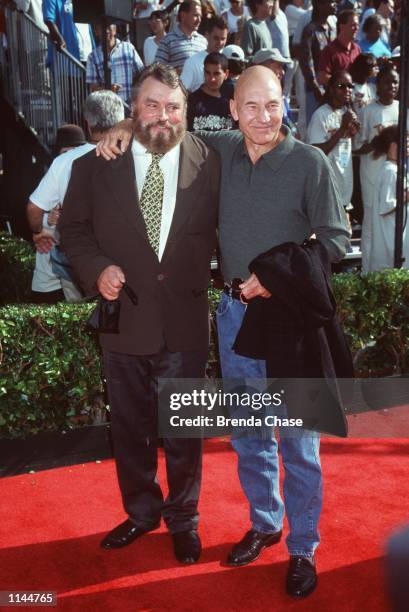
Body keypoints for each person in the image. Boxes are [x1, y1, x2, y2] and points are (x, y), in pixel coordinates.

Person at [95, 64, 350, 598]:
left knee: (299, 444)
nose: (264, 117)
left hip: (292, 322)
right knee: (250, 435)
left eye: (274, 105)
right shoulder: (219, 152)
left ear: (287, 106)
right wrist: (121, 127)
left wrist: (278, 277)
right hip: (234, 316)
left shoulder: (312, 163)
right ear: (231, 110)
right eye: (251, 106)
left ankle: (303, 546)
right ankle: (265, 524)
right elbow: (162, 129)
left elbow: (332, 241)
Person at [59, 63, 220, 565]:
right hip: (123, 318)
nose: (163, 116)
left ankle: (184, 518)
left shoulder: (213, 160)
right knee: (129, 427)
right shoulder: (93, 165)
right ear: (134, 107)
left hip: (184, 320)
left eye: (173, 106)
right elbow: (74, 232)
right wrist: (96, 268)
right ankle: (142, 512)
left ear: (187, 111)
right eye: (151, 105)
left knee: (184, 430)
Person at [26, 92, 125, 303]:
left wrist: (38, 232)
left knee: (83, 326)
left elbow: (33, 209)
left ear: (87, 123)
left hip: (79, 263)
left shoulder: (64, 162)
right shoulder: (136, 155)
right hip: (124, 262)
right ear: (121, 119)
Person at [27, 123, 86, 303]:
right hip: (50, 276)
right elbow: (33, 213)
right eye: (65, 152)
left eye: (75, 151)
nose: (70, 156)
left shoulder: (90, 175)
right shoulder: (51, 177)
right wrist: (49, 221)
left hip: (78, 272)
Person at [353, 64, 399, 272]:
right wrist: (379, 142)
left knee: (394, 223)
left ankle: (392, 270)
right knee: (371, 222)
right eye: (388, 81)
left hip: (394, 174)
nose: (392, 86)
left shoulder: (402, 109)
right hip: (372, 174)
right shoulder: (367, 111)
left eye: (395, 81)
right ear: (377, 86)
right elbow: (357, 147)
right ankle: (368, 271)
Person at [307, 70, 360, 215]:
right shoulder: (320, 115)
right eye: (341, 86)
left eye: (350, 86)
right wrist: (342, 128)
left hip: (345, 185)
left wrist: (354, 133)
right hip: (326, 187)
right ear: (331, 89)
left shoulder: (348, 112)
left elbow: (352, 149)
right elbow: (316, 152)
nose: (347, 90)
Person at [367, 125, 408, 272]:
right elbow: (387, 205)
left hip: (393, 235)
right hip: (389, 237)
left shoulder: (394, 169)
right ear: (394, 146)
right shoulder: (390, 172)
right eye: (406, 142)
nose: (408, 147)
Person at [86, 23, 143, 106]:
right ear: (96, 31)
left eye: (109, 25)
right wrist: (108, 89)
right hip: (107, 107)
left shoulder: (129, 48)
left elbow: (141, 74)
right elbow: (93, 87)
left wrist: (136, 96)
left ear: (115, 29)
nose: (106, 30)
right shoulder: (93, 56)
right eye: (101, 26)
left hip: (130, 106)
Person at [299, 0, 337, 125]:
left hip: (331, 89)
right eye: (331, 2)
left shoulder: (331, 29)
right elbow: (306, 61)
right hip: (315, 92)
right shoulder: (310, 30)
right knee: (315, 127)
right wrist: (315, 88)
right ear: (320, 5)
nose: (334, 4)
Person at [155, 0, 207, 72]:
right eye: (195, 15)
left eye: (200, 16)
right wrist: (175, 73)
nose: (199, 20)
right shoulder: (167, 40)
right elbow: (157, 70)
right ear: (183, 15)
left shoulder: (204, 41)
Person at [187, 52, 233, 130]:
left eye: (216, 74)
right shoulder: (191, 101)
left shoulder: (231, 100)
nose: (212, 79)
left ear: (226, 74)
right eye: (208, 73)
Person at [181, 16, 228, 93]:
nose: (220, 43)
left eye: (223, 39)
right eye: (216, 38)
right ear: (207, 35)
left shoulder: (228, 57)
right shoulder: (192, 62)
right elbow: (182, 91)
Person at [317, 9, 361, 86]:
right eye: (353, 25)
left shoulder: (357, 49)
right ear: (342, 27)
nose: (357, 28)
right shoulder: (329, 50)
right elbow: (322, 78)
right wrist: (343, 85)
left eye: (357, 25)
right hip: (334, 97)